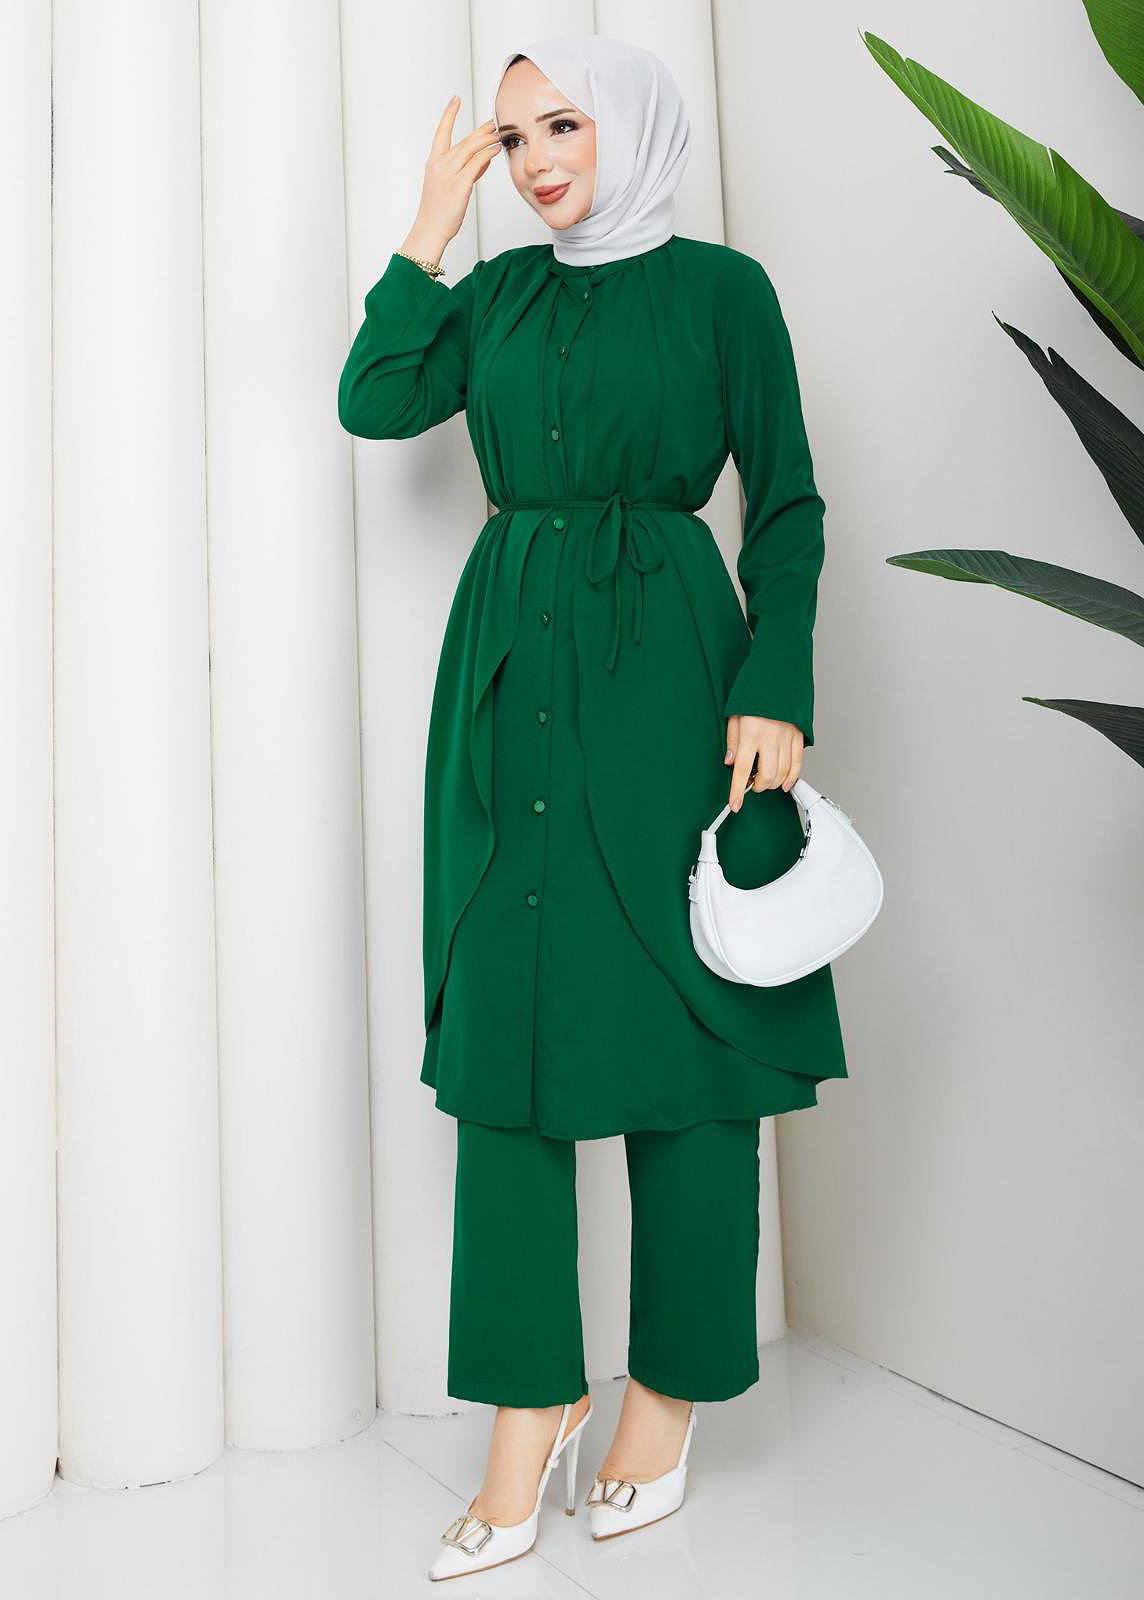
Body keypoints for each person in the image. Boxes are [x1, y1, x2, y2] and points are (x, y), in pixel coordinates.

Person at [338, 31, 848, 1581]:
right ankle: (529, 1401)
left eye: (562, 125)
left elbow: (789, 498)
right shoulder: (496, 295)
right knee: (508, 1041)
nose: (538, 161)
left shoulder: (723, 293)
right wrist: (431, 228)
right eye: (512, 140)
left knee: (692, 1036)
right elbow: (376, 399)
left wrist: (777, 680)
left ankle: (668, 1397)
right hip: (509, 675)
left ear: (630, 126)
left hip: (676, 679)